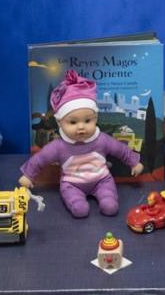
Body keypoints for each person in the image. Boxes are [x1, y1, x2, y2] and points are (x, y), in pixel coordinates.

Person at [19, 70, 143, 218]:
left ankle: (107, 199)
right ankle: (77, 202)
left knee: (110, 206)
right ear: (60, 122)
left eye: (87, 121)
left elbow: (120, 149)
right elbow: (40, 159)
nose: (81, 127)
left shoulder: (102, 140)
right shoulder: (59, 146)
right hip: (72, 184)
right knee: (79, 210)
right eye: (73, 122)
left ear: (95, 118)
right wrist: (28, 175)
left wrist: (134, 162)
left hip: (102, 180)